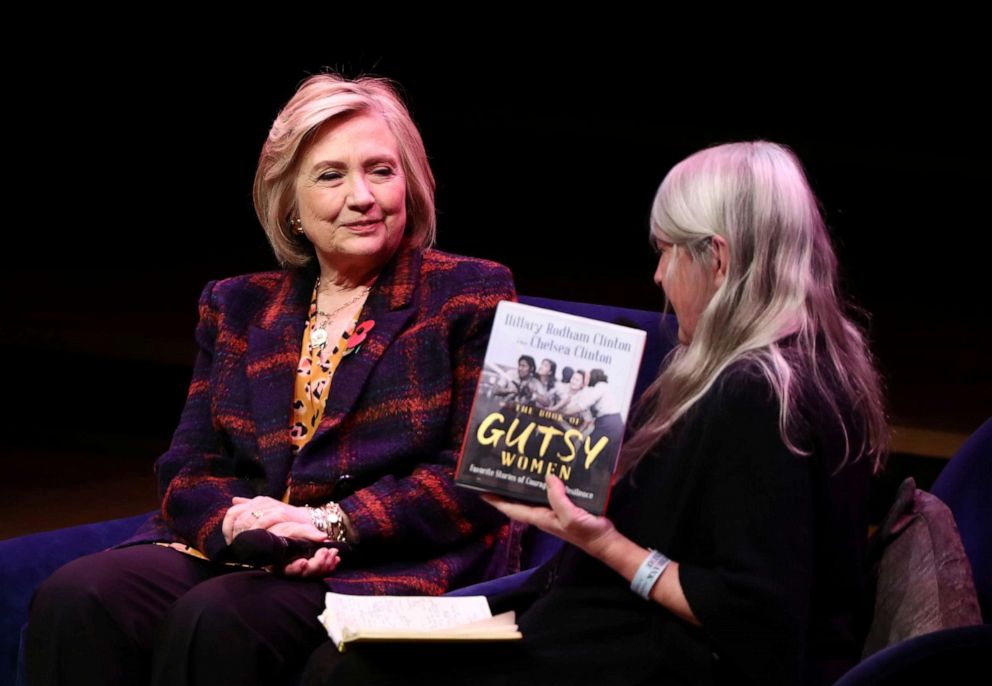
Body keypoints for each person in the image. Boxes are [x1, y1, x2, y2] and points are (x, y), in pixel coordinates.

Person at [302, 141, 889, 685]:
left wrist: (600, 540)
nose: (658, 276)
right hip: (618, 628)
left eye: (665, 254)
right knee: (354, 650)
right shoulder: (824, 361)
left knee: (351, 670)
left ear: (718, 259)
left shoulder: (760, 394)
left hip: (668, 658)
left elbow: (751, 613)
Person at [25, 73, 520, 686]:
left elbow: (476, 478)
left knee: (221, 618)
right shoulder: (237, 305)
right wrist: (236, 526)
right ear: (288, 204)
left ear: (412, 185)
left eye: (381, 171)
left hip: (387, 559)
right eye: (331, 175)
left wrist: (329, 522)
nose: (362, 196)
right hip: (247, 551)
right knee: (79, 596)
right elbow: (188, 465)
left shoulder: (469, 293)